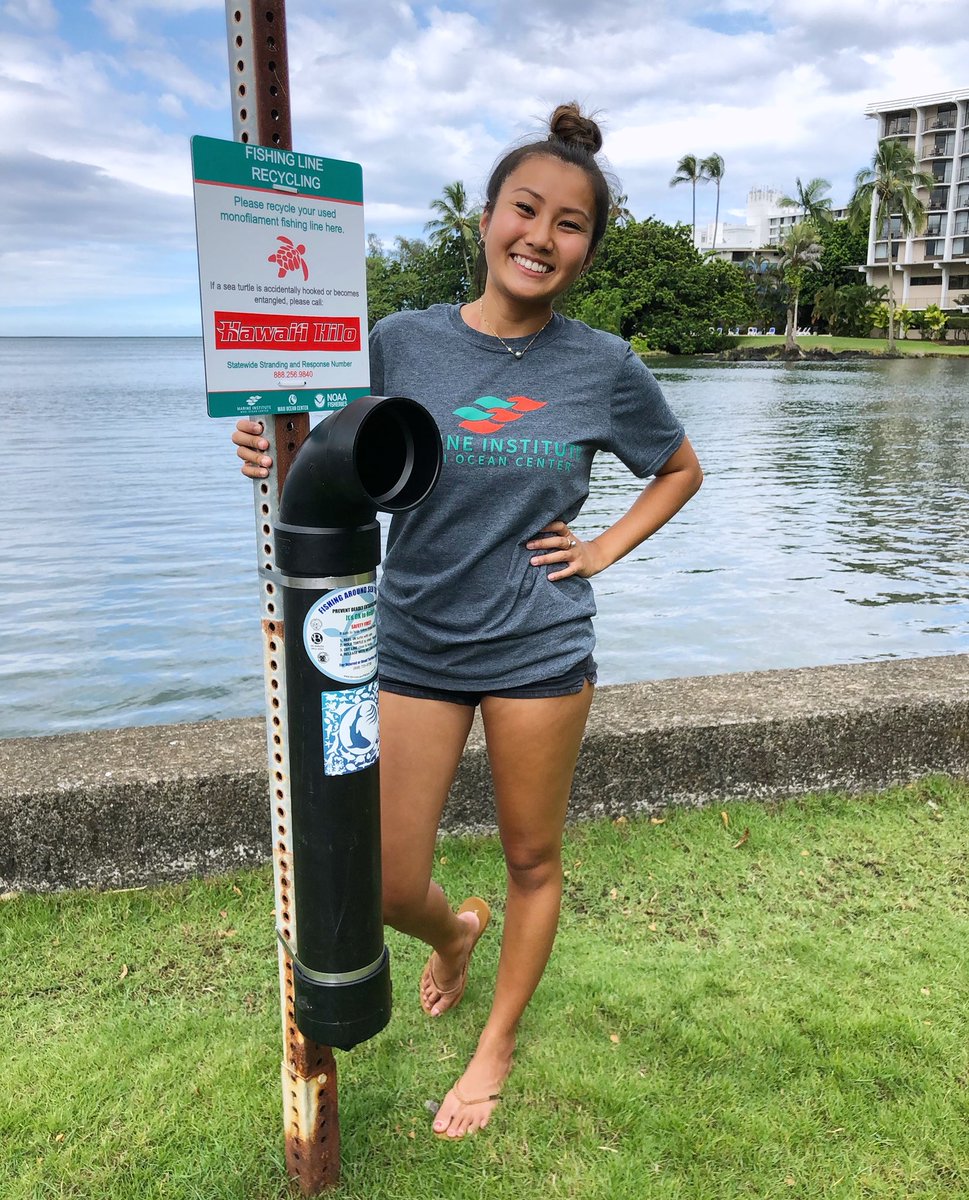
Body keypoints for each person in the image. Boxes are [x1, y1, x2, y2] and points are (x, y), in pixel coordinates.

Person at [233, 102, 703, 1140]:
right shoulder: (403, 343)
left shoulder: (604, 366)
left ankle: (493, 1048)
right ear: (486, 221)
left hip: (539, 645)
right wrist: (275, 452)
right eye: (524, 210)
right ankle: (455, 933)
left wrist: (601, 548)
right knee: (392, 878)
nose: (541, 236)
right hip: (413, 640)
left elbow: (678, 469)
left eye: (569, 223)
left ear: (586, 251)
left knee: (535, 858)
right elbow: (326, 442)